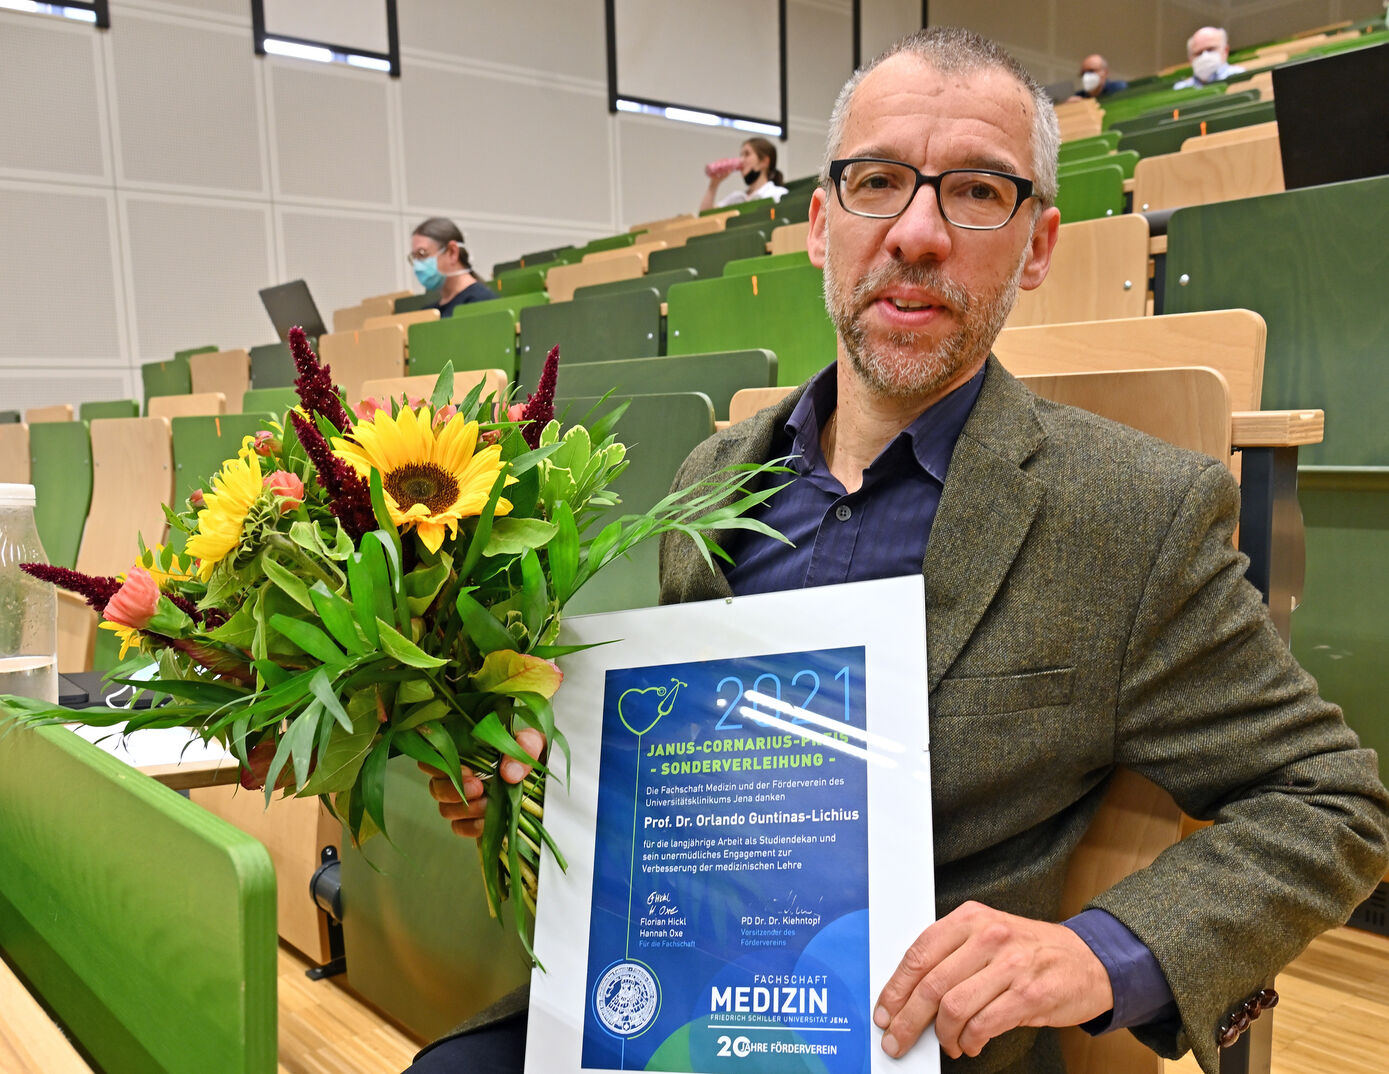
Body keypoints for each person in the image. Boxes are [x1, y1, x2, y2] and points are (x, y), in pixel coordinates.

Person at [412, 26, 1389, 1074]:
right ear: (821, 222)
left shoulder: (1137, 514)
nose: (918, 232)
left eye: (975, 191)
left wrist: (1100, 953)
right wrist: (547, 788)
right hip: (667, 1004)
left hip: (906, 1044)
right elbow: (703, 775)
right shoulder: (712, 475)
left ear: (1041, 245)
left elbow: (1332, 802)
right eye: (879, 181)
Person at [409, 218, 496, 317]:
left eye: (422, 253)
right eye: (414, 257)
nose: (417, 265)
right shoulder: (428, 313)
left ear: (452, 252)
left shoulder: (482, 302)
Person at [698, 136, 788, 211]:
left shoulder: (778, 194)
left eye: (747, 154)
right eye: (741, 155)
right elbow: (705, 218)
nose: (741, 160)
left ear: (764, 161)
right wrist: (714, 184)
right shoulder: (736, 198)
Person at [1173, 27, 1246, 88]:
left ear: (1225, 51)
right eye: (1199, 53)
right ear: (1190, 59)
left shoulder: (1242, 77)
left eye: (1210, 49)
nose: (1205, 56)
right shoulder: (1181, 88)